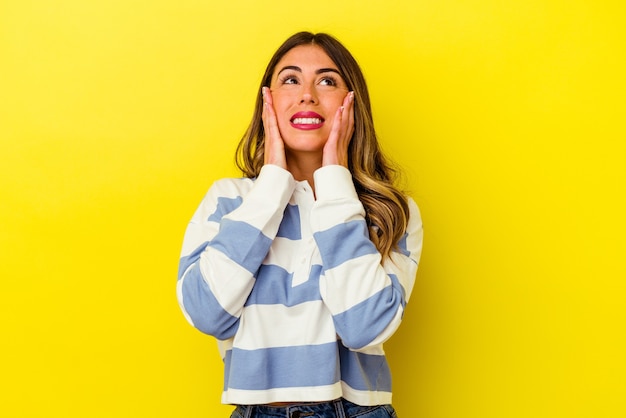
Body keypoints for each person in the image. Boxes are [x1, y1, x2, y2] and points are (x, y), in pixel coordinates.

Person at [177, 31, 423, 418]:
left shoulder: (389, 210)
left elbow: (364, 327)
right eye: (290, 79)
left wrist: (336, 185)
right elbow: (207, 313)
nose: (307, 93)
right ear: (268, 101)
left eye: (327, 80)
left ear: (351, 103)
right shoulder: (231, 200)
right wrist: (273, 182)